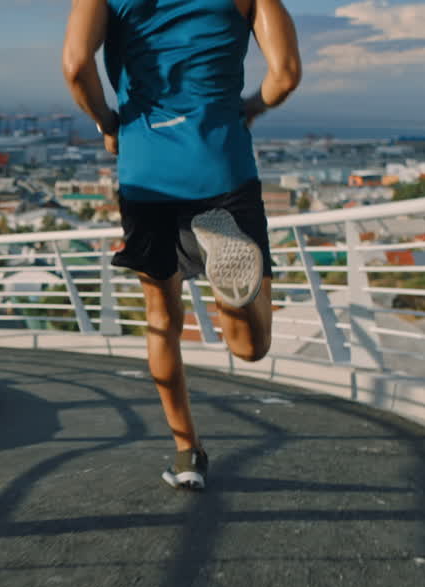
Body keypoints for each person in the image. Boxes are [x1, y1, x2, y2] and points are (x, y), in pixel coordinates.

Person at [63, 0, 301, 490]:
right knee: (250, 348)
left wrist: (108, 123)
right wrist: (252, 107)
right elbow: (286, 74)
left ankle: (187, 452)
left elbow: (75, 64)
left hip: (146, 171)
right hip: (223, 167)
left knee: (162, 319)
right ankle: (233, 295)